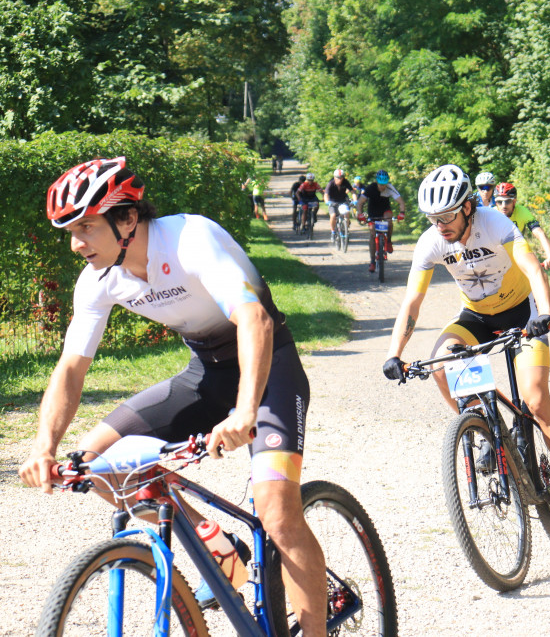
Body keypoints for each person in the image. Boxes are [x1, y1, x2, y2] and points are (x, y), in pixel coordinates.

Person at [19, 157, 328, 636]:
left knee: (277, 513)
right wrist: (44, 447)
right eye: (69, 232)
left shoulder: (190, 238)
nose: (77, 244)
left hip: (269, 370)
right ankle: (218, 545)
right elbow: (71, 369)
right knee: (98, 468)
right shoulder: (99, 279)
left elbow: (255, 320)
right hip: (204, 373)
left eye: (85, 227)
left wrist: (246, 411)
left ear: (126, 219)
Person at [381, 164, 550, 525]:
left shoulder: (495, 223)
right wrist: (393, 353)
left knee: (535, 400)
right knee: (440, 367)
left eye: (445, 216)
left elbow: (533, 268)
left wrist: (546, 315)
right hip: (477, 315)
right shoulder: (432, 242)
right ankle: (489, 430)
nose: (439, 225)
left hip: (524, 311)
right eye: (432, 218)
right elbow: (412, 300)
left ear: (466, 208)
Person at [493, 182, 550, 270]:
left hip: (517, 250)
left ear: (514, 201)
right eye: (499, 202)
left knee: (540, 273)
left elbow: (539, 233)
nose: (503, 206)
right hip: (497, 254)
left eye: (507, 201)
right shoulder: (492, 214)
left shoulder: (522, 211)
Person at [356, 170, 406, 273]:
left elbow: (401, 201)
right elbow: (360, 202)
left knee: (389, 221)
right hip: (373, 212)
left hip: (385, 210)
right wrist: (360, 213)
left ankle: (388, 241)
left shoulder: (390, 187)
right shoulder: (370, 188)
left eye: (384, 184)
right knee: (372, 233)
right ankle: (372, 261)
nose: (382, 187)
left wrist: (402, 213)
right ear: (377, 182)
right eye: (380, 184)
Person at [326, 169, 355, 242]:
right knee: (333, 216)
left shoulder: (345, 182)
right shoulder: (331, 183)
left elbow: (352, 191)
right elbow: (326, 194)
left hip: (342, 201)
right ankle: (333, 232)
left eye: (341, 177)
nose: (340, 179)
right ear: (335, 177)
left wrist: (355, 200)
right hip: (333, 202)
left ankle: (346, 229)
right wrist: (327, 201)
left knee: (347, 213)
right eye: (338, 177)